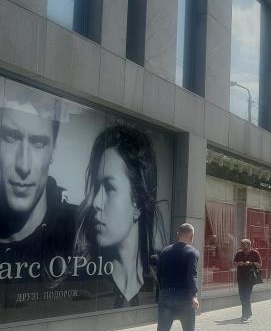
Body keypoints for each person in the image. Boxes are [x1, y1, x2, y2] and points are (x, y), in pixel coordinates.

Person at [74, 124, 166, 306]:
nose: (95, 202)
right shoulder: (83, 286)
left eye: (109, 187)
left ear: (137, 203)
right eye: (96, 187)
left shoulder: (158, 280)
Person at [0, 84, 76, 283]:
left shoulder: (82, 233)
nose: (23, 165)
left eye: (38, 143)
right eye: (10, 137)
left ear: (53, 150)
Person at [148, 223, 202, 331]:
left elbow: (159, 273)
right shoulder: (192, 252)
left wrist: (164, 290)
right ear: (191, 236)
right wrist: (194, 295)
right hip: (184, 296)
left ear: (178, 234)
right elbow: (191, 275)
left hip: (166, 295)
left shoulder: (165, 251)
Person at [233, 238, 262, 322]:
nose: (242, 246)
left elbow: (260, 265)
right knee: (242, 296)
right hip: (241, 277)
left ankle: (244, 314)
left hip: (250, 278)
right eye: (241, 244)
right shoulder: (239, 253)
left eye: (244, 244)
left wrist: (251, 263)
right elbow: (234, 263)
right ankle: (248, 313)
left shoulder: (255, 253)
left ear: (249, 245)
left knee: (246, 295)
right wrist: (239, 263)